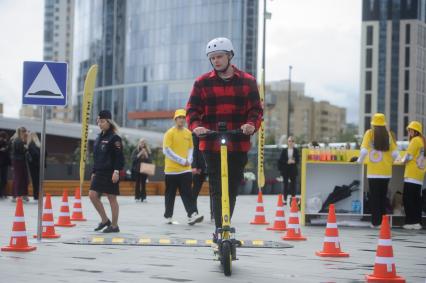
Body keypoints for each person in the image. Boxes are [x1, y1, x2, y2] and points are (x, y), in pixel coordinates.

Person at [186, 37, 263, 239]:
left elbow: (256, 110)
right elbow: (192, 110)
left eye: (219, 56)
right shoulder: (202, 83)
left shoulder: (248, 81)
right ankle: (221, 229)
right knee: (217, 187)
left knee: (232, 186)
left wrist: (251, 125)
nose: (216, 61)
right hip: (210, 143)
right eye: (212, 58)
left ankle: (225, 224)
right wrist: (197, 126)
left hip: (238, 142)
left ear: (229, 56)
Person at [163, 109, 204, 225]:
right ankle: (168, 216)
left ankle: (192, 215)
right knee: (170, 194)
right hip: (171, 171)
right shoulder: (169, 133)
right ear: (175, 119)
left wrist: (190, 159)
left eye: (183, 117)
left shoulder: (188, 133)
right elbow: (166, 150)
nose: (181, 119)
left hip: (185, 170)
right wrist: (181, 160)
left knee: (188, 194)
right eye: (179, 117)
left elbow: (191, 148)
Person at [357, 113, 398, 228]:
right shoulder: (389, 135)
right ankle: (384, 222)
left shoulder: (369, 133)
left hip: (373, 172)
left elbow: (364, 151)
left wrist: (359, 161)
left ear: (373, 124)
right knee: (383, 197)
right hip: (386, 172)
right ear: (384, 123)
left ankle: (376, 223)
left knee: (374, 197)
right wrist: (390, 162)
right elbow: (395, 154)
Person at [89, 110, 124, 233]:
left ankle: (114, 226)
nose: (100, 124)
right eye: (98, 121)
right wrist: (93, 172)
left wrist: (116, 171)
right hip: (99, 172)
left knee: (111, 198)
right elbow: (96, 156)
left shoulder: (115, 138)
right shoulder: (99, 137)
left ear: (109, 122)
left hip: (110, 172)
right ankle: (104, 220)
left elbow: (119, 157)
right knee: (92, 195)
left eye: (102, 121)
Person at [401, 121, 425, 230]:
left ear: (416, 131)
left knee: (408, 199)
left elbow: (408, 156)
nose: (409, 132)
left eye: (411, 130)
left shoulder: (415, 140)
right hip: (419, 174)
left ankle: (411, 222)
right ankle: (417, 222)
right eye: (409, 130)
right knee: (416, 199)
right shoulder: (422, 141)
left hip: (411, 173)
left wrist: (401, 161)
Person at [191, 134, 211, 219]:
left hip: (212, 165)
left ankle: (214, 214)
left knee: (215, 192)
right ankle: (194, 212)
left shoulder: (212, 129)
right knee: (194, 191)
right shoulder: (195, 133)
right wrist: (194, 166)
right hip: (199, 166)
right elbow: (194, 150)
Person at [277, 136, 299, 204]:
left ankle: (293, 200)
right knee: (285, 185)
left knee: (293, 185)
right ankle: (285, 200)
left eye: (292, 141)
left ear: (294, 142)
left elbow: (298, 160)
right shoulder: (284, 150)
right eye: (289, 141)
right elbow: (281, 160)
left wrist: (294, 161)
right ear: (287, 142)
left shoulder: (296, 150)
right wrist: (287, 161)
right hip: (285, 170)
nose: (291, 142)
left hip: (293, 170)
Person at [10, 127, 29, 202]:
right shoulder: (18, 140)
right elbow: (21, 151)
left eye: (25, 131)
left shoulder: (19, 140)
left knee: (23, 178)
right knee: (19, 178)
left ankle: (21, 195)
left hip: (19, 161)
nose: (25, 133)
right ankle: (17, 195)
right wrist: (26, 148)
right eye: (24, 132)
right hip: (18, 161)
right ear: (21, 132)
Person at [26, 132, 41, 200]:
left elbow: (34, 154)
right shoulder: (39, 144)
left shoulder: (31, 144)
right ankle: (37, 194)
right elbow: (46, 153)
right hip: (39, 165)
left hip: (33, 165)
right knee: (38, 180)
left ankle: (36, 195)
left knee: (35, 180)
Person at [0, 131, 11, 199]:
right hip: (4, 164)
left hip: (4, 163)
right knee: (3, 178)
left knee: (3, 179)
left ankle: (2, 193)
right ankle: (2, 193)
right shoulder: (6, 144)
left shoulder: (6, 144)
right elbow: (8, 154)